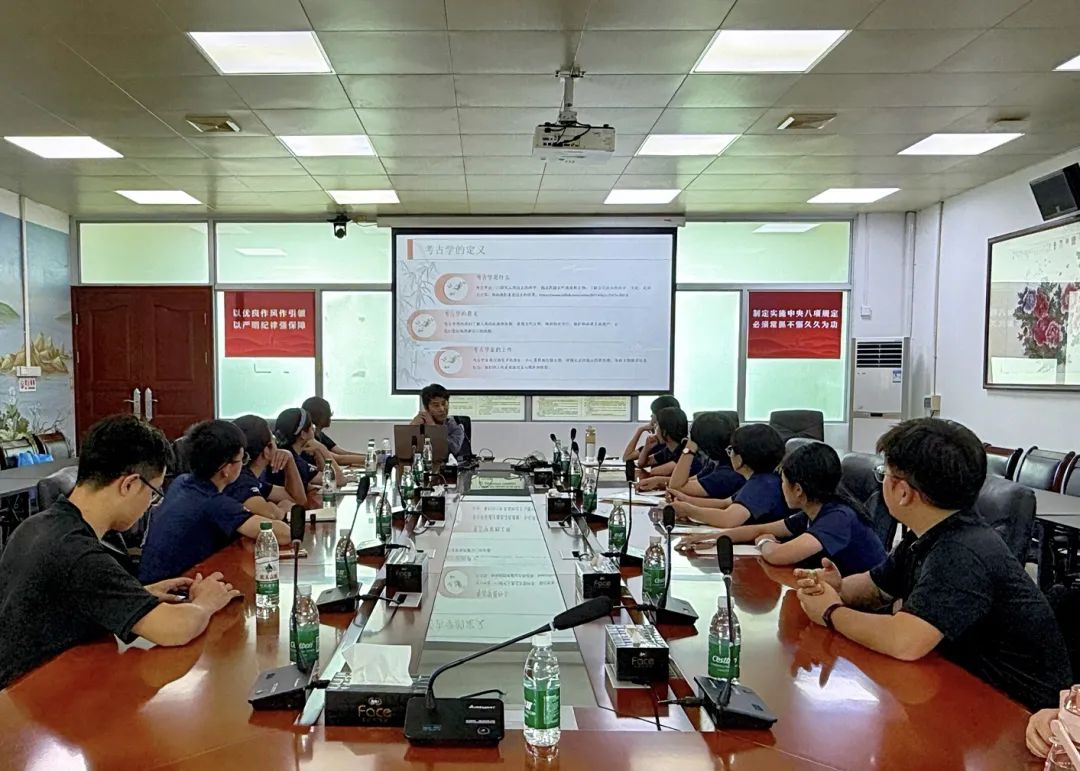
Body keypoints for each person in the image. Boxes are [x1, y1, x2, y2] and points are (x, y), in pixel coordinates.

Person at [796, 418, 1071, 712]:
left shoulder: (963, 551)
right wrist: (836, 586)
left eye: (884, 474)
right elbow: (875, 588)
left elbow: (905, 641)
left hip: (1019, 715)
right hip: (960, 686)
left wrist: (831, 612)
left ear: (903, 492)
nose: (882, 482)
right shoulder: (928, 533)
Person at [0, 415, 240, 690]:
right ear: (130, 484)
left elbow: (70, 601)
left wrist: (139, 594)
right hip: (42, 696)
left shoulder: (36, 526)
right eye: (153, 493)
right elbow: (175, 629)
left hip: (24, 690)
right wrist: (206, 602)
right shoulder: (79, 555)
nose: (151, 503)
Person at [676, 442, 887, 576]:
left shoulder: (838, 517)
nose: (780, 487)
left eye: (783, 482)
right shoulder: (813, 511)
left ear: (798, 490)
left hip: (867, 607)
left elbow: (778, 555)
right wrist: (712, 538)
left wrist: (764, 541)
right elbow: (758, 529)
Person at [139, 420, 291, 584]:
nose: (243, 465)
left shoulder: (181, 482)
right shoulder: (213, 504)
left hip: (149, 584)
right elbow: (284, 534)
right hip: (173, 591)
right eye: (242, 459)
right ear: (226, 469)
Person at [667, 423, 790, 528]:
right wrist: (686, 500)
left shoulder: (763, 484)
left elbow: (728, 519)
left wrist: (689, 510)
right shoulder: (764, 478)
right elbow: (726, 503)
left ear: (741, 458)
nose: (730, 454)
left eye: (731, 450)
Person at [640, 411, 742, 497]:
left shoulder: (725, 474)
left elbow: (676, 486)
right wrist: (658, 481)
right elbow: (692, 480)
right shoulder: (715, 462)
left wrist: (689, 448)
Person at [226, 415, 307, 518]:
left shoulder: (249, 478)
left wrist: (290, 460)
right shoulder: (240, 481)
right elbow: (272, 514)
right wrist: (282, 508)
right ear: (267, 450)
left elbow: (298, 500)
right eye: (273, 439)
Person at [273, 407, 346, 507]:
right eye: (312, 427)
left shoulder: (289, 453)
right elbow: (339, 480)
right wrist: (322, 448)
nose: (314, 431)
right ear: (303, 434)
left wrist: (317, 452)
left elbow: (323, 474)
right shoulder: (294, 460)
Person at [411, 383, 471, 459]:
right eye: (436, 405)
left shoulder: (455, 425)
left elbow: (451, 451)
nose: (442, 409)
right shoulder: (420, 424)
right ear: (426, 408)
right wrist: (412, 428)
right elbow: (405, 451)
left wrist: (433, 427)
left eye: (444, 403)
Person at [301, 396, 366, 466]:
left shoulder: (320, 435)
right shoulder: (309, 439)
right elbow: (338, 459)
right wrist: (370, 459)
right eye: (328, 413)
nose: (330, 416)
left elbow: (342, 453)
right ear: (320, 416)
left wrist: (369, 456)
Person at [622, 395, 680, 463]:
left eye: (653, 412)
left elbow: (628, 458)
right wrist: (640, 430)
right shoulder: (655, 443)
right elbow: (627, 457)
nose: (651, 415)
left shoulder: (674, 445)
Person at [634, 406, 688, 475]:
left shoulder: (685, 448)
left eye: (657, 425)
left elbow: (656, 471)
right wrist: (647, 448)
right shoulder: (668, 450)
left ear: (665, 431)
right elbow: (641, 463)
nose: (655, 429)